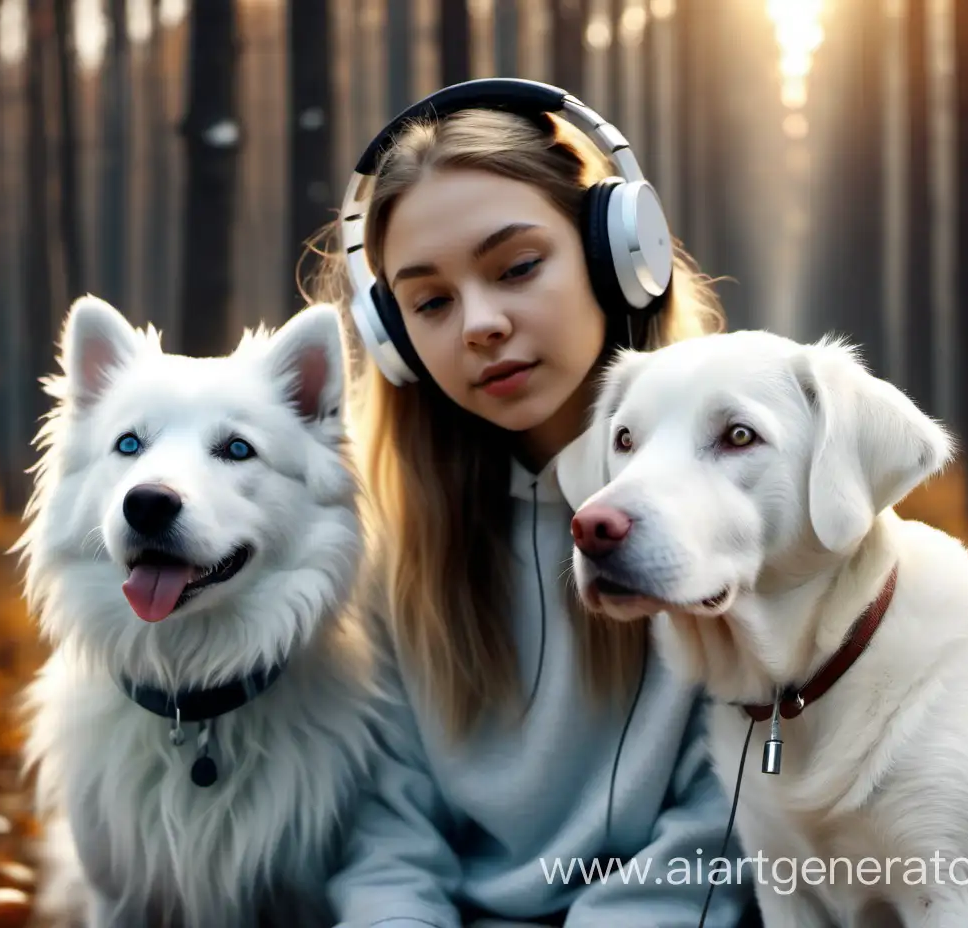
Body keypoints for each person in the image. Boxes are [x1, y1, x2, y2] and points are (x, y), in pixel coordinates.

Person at [300, 79, 758, 928]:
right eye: (430, 302)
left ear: (623, 256)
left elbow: (717, 837)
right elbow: (388, 838)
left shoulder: (746, 517)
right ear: (394, 343)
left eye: (517, 268)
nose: (479, 323)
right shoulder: (389, 555)